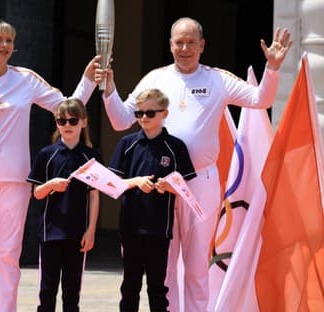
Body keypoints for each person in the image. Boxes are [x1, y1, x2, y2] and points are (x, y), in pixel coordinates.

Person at [95, 17, 292, 311]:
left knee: (198, 264)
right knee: (166, 264)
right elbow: (121, 119)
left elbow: (260, 100)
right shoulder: (155, 78)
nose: (184, 48)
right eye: (178, 42)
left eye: (190, 43)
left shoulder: (217, 79)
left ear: (202, 45)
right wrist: (108, 89)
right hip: (160, 187)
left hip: (201, 181)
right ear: (170, 45)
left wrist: (273, 68)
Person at [0, 18, 98, 312]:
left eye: (9, 41)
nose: (4, 46)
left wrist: (88, 79)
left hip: (17, 179)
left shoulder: (26, 79)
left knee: (7, 252)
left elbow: (67, 107)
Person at [109, 88, 196, 312]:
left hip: (159, 228)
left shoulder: (175, 147)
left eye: (150, 113)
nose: (144, 119)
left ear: (164, 113)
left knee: (157, 287)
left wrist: (170, 186)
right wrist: (135, 181)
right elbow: (111, 184)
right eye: (139, 114)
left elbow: (185, 186)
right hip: (131, 226)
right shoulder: (127, 144)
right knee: (130, 286)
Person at [27, 98, 100, 312]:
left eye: (73, 120)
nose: (67, 125)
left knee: (72, 293)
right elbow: (36, 194)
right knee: (47, 291)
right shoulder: (47, 155)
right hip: (50, 233)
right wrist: (50, 185)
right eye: (61, 121)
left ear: (83, 122)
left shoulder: (91, 157)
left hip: (78, 234)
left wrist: (91, 230)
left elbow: (94, 196)